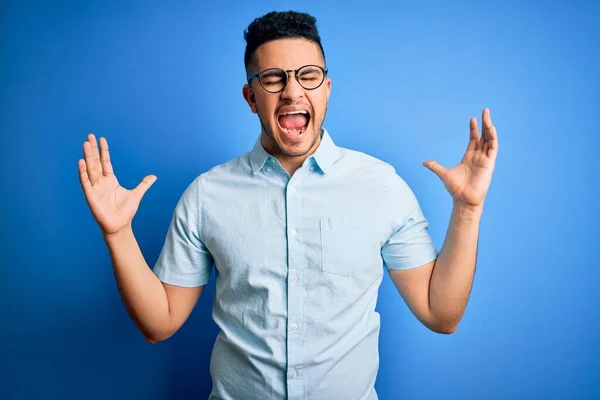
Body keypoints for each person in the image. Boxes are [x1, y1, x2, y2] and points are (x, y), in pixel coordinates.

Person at [78, 10, 498, 400]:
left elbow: (441, 314)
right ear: (250, 95)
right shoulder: (207, 195)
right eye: (274, 78)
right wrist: (117, 234)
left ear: (327, 88)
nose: (293, 91)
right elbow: (159, 322)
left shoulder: (381, 186)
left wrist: (468, 208)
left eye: (308, 76)